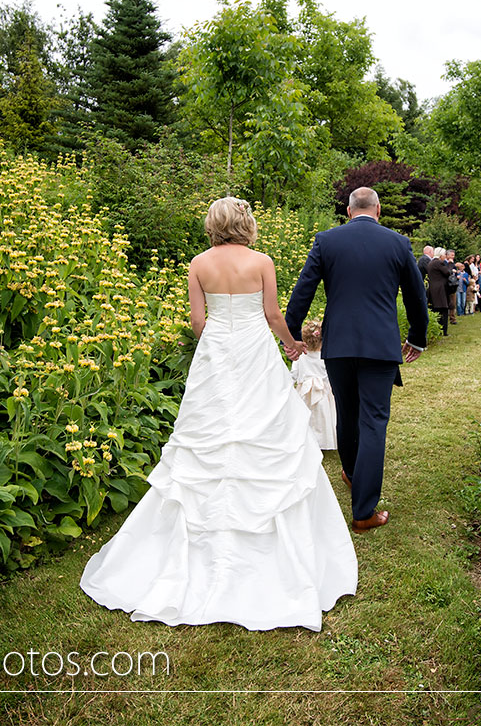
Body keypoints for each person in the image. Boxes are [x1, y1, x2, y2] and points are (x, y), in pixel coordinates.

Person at [80, 197, 357, 631]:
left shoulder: (198, 263)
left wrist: (217, 347)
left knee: (207, 433)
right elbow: (270, 315)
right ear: (246, 223)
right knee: (265, 431)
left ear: (213, 225)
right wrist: (291, 344)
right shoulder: (262, 261)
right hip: (255, 353)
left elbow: (197, 321)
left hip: (216, 353)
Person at [285, 187, 428, 533]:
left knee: (347, 415)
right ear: (378, 209)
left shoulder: (326, 241)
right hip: (379, 346)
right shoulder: (397, 243)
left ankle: (352, 474)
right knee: (374, 420)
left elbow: (304, 288)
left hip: (340, 344)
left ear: (348, 211)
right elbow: (415, 294)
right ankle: (364, 511)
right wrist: (417, 337)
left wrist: (291, 336)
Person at [291, 319, 336, 450]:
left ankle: (306, 440)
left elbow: (294, 373)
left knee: (307, 417)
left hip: (304, 393)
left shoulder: (300, 356)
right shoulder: (325, 356)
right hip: (323, 393)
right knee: (323, 418)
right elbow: (329, 374)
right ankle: (324, 442)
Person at [427, 246, 451, 336]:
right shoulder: (438, 263)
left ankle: (436, 329)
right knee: (443, 310)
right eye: (444, 254)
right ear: (441, 255)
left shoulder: (431, 263)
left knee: (435, 309)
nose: (445, 256)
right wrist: (449, 265)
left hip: (433, 288)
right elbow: (447, 272)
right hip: (440, 289)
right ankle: (443, 330)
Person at [445, 249, 458, 324]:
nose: (453, 257)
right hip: (446, 285)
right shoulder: (444, 263)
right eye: (452, 255)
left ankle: (453, 318)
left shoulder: (453, 264)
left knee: (453, 303)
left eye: (453, 255)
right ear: (447, 255)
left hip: (453, 285)